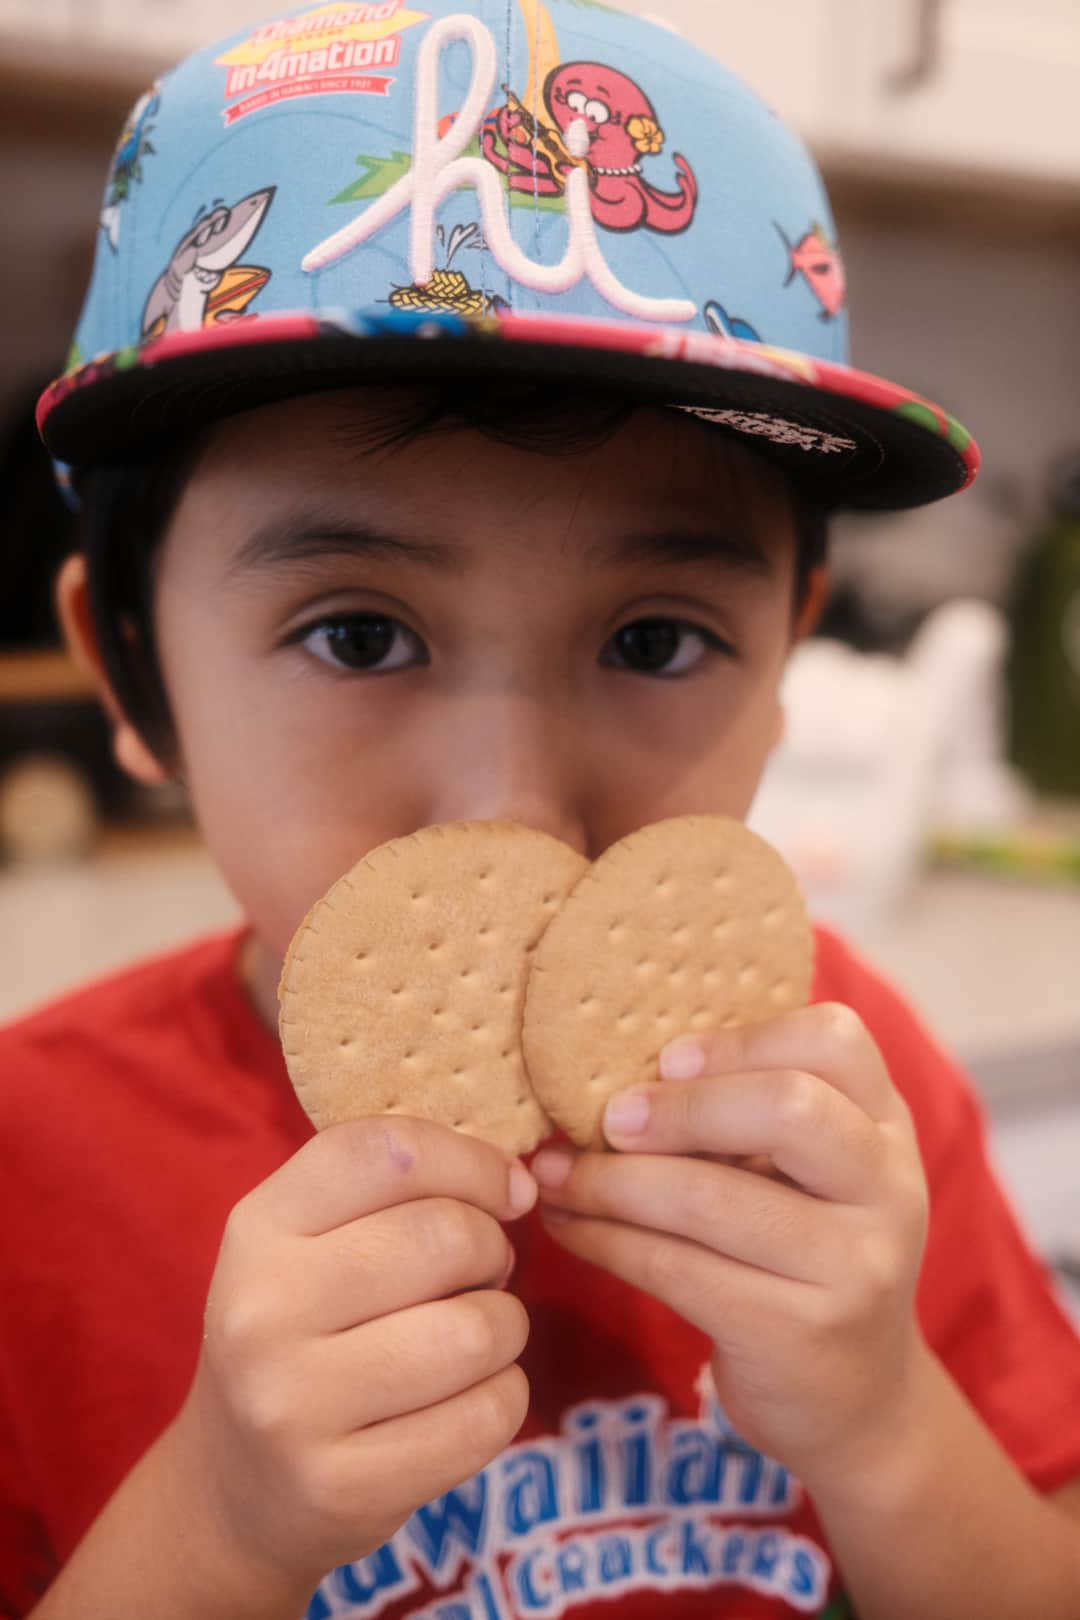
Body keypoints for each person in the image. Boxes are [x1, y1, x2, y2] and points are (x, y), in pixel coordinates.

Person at [5, 2, 1080, 1616]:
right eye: (358, 634)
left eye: (655, 641)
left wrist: (885, 1424)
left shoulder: (850, 1111)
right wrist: (215, 1525)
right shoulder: (30, 1171)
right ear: (130, 672)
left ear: (789, 665)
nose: (515, 811)